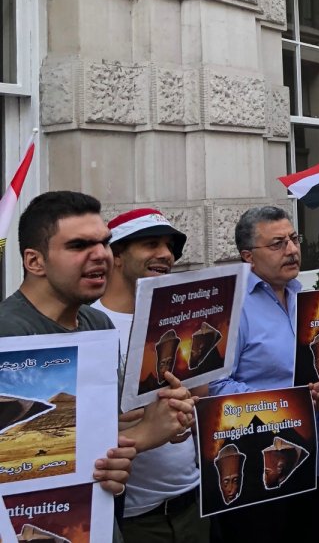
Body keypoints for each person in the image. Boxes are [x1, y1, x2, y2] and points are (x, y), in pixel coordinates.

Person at [0, 192, 190, 527]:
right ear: (35, 261)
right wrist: (144, 435)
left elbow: (101, 426)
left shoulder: (95, 323)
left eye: (103, 242)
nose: (100, 255)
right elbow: (30, 458)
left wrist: (167, 414)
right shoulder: (10, 333)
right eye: (79, 246)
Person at [210, 206, 319, 540]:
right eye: (277, 243)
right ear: (249, 256)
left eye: (294, 238)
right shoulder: (232, 307)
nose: (292, 250)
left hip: (312, 465)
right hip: (259, 475)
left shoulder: (304, 297)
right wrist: (292, 403)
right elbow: (215, 386)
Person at [95, 208, 207, 543]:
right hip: (134, 518)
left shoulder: (180, 317)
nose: (166, 255)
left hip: (194, 502)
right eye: (151, 244)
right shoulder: (90, 326)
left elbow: (200, 398)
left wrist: (185, 413)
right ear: (115, 254)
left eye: (170, 247)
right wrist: (146, 423)